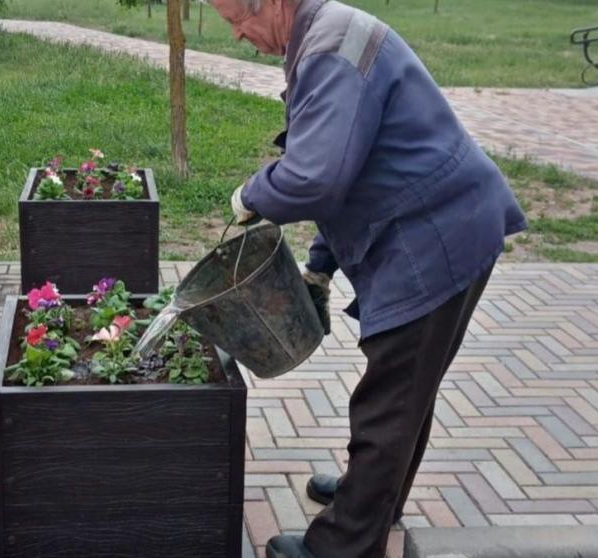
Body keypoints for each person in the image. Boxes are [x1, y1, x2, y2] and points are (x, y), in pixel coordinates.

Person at [210, 0, 528, 556]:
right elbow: (354, 166)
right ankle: (376, 494)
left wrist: (250, 196)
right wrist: (319, 263)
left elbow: (316, 177)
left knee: (390, 401)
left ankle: (345, 542)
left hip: (436, 239)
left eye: (240, 18)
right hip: (446, 221)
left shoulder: (329, 51)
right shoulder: (326, 35)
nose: (238, 34)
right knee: (407, 392)